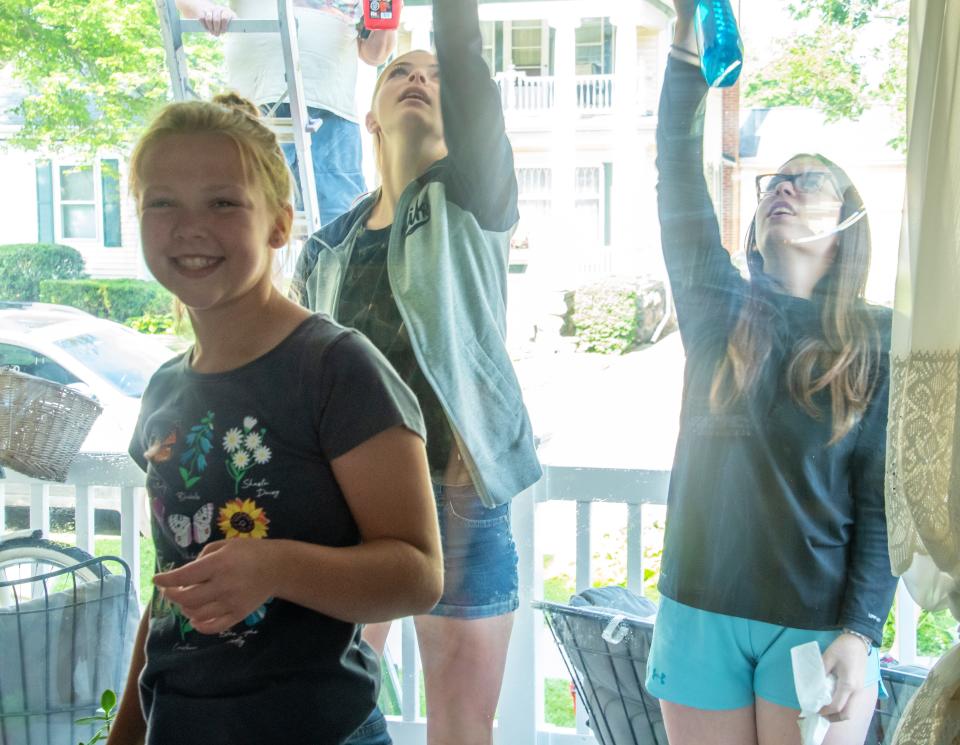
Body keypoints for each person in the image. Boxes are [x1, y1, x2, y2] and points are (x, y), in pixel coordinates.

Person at [105, 92, 443, 745]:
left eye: (223, 201)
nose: (189, 225)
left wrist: (275, 566)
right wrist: (125, 732)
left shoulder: (335, 368)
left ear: (279, 224)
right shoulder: (164, 390)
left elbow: (419, 573)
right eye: (161, 201)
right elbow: (174, 585)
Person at [645, 5, 898, 745]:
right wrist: (686, 58)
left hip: (815, 624)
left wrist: (859, 630)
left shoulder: (881, 339)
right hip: (698, 612)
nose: (784, 188)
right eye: (775, 183)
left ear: (849, 220)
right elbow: (674, 169)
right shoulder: (716, 311)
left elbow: (882, 504)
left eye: (809, 181)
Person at [292, 0, 541, 741]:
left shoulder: (476, 192)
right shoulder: (328, 243)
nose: (419, 79)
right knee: (330, 707)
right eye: (400, 70)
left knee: (461, 727)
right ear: (369, 116)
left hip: (457, 490)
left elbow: (467, 62)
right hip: (352, 500)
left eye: (435, 75)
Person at [175, 0, 396, 226]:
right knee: (241, 213)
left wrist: (388, 13)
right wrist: (207, 10)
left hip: (330, 108)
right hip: (256, 103)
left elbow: (375, 53)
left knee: (340, 224)